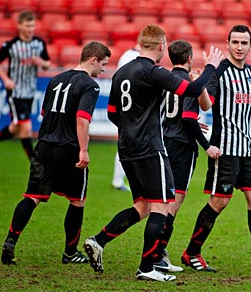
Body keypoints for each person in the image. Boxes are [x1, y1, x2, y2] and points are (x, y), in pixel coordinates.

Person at [83, 24, 223, 282]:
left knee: (143, 205)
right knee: (161, 205)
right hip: (150, 147)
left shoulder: (121, 72)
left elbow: (113, 113)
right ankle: (148, 266)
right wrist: (212, 67)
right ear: (160, 47)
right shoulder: (154, 71)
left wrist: (131, 129)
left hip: (126, 147)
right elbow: (192, 90)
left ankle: (99, 240)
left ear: (140, 43)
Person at [181, 25, 251, 274]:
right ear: (228, 44)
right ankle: (192, 252)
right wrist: (198, 86)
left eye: (244, 43)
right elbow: (207, 105)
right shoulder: (218, 72)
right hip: (226, 149)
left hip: (250, 149)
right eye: (235, 42)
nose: (240, 47)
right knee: (219, 202)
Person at [0, 41, 111, 265]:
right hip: (68, 149)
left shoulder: (56, 79)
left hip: (44, 146)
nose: (104, 70)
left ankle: (11, 240)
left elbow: (44, 112)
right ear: (93, 60)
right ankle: (70, 253)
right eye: (103, 64)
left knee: (32, 197)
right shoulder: (90, 85)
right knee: (77, 201)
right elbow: (82, 119)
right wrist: (83, 150)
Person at [154, 40, 222, 273]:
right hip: (182, 147)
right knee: (173, 204)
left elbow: (192, 111)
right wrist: (206, 146)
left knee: (162, 201)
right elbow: (188, 117)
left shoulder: (163, 80)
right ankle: (158, 253)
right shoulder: (187, 82)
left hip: (163, 142)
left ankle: (156, 253)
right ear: (190, 57)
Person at [0, 10, 51, 160]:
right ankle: (35, 164)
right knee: (26, 127)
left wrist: (41, 63)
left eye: (32, 26)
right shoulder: (11, 45)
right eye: (27, 26)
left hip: (30, 92)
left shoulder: (39, 43)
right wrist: (6, 79)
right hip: (15, 92)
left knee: (15, 127)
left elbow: (47, 64)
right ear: (20, 26)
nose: (31, 29)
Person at [110, 33, 142, 192]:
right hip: (131, 106)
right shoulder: (134, 58)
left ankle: (121, 179)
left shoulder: (126, 55)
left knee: (128, 142)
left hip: (124, 104)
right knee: (128, 143)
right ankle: (118, 180)